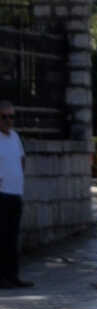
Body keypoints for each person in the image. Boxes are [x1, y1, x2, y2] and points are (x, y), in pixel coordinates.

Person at [0, 101, 32, 288]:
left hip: (15, 193)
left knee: (13, 238)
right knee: (1, 237)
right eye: (3, 116)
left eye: (11, 116)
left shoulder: (15, 137)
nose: (8, 120)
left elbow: (21, 160)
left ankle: (13, 276)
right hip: (1, 194)